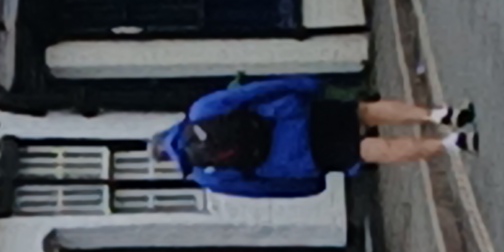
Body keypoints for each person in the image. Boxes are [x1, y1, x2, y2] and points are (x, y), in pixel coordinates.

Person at [152, 75, 472, 196]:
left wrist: (309, 185)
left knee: (369, 150)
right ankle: (437, 115)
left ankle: (450, 144)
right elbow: (257, 91)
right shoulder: (201, 110)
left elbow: (260, 189)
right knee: (365, 112)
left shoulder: (207, 177)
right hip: (295, 116)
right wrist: (306, 86)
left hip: (300, 159)